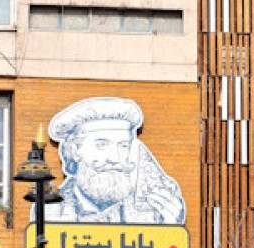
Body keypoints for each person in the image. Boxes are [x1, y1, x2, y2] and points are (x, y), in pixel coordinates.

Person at [45, 96, 186, 225]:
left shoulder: (154, 210)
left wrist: (171, 230)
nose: (114, 158)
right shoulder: (49, 212)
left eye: (123, 146)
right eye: (102, 145)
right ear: (75, 150)